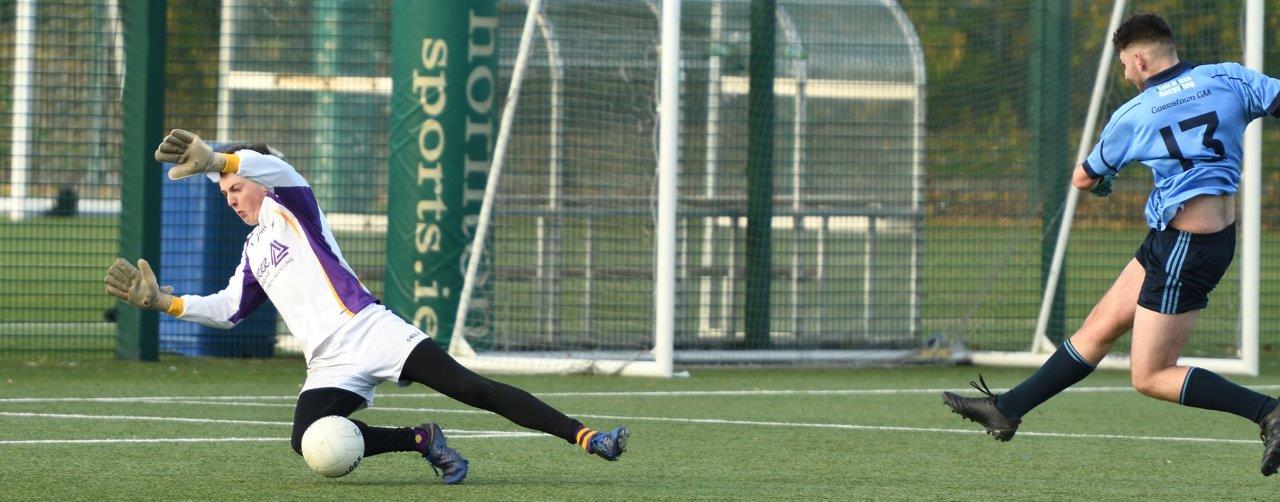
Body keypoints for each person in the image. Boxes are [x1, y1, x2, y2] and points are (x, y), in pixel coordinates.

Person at [104, 129, 629, 485]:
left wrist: (219, 157)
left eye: (236, 187)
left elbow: (281, 170)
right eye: (225, 193)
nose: (232, 198)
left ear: (260, 181)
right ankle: (420, 439)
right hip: (328, 365)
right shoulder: (252, 250)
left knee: (472, 388)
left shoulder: (293, 206)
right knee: (305, 441)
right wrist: (164, 302)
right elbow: (227, 309)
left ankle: (585, 436)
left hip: (369, 330)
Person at [941, 13, 1280, 476]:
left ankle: (1269, 413)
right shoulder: (1229, 76)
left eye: (1124, 65)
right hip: (1181, 237)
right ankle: (1007, 408)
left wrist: (1103, 182)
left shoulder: (1135, 114)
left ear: (1139, 59)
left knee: (1151, 375)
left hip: (1187, 248)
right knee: (1098, 329)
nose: (1125, 75)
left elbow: (1083, 176)